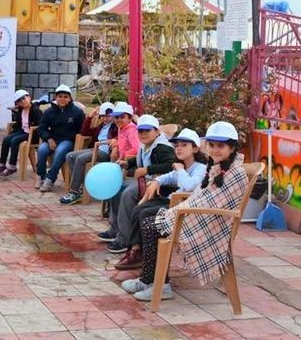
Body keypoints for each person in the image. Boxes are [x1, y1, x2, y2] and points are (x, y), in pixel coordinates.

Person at [122, 121, 248, 301]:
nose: (215, 150)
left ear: (233, 147)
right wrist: (175, 208)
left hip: (211, 226)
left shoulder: (234, 173)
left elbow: (211, 203)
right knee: (148, 219)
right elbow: (200, 197)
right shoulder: (217, 168)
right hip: (199, 216)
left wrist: (178, 212)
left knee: (151, 225)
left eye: (221, 146)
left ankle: (160, 285)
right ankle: (148, 280)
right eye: (211, 145)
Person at [115, 128, 207, 271]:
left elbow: (189, 186)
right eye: (177, 146)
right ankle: (135, 249)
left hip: (184, 209)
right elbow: (169, 176)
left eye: (184, 145)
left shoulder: (199, 168)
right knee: (139, 209)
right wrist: (157, 181)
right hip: (174, 202)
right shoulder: (183, 165)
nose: (179, 149)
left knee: (145, 213)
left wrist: (180, 169)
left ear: (195, 148)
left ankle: (140, 253)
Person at [103, 114, 176, 255]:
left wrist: (148, 170)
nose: (143, 134)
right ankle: (115, 229)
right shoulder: (145, 146)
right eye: (140, 131)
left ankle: (124, 239)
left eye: (147, 131)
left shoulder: (162, 147)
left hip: (159, 184)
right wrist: (127, 163)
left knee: (127, 193)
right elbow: (140, 160)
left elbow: (170, 165)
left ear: (157, 131)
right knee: (117, 189)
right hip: (146, 181)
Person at [59, 102, 117, 205]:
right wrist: (89, 117)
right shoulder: (101, 126)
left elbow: (118, 138)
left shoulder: (115, 126)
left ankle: (74, 192)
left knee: (80, 159)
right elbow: (84, 132)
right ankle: (80, 187)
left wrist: (113, 142)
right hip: (95, 149)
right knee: (70, 156)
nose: (105, 119)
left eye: (108, 116)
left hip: (105, 152)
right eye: (103, 116)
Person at [35, 85, 85, 192]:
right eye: (60, 96)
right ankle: (41, 176)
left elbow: (82, 130)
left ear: (70, 98)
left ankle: (50, 179)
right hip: (52, 139)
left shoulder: (77, 112)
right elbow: (41, 129)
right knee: (41, 150)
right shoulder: (49, 111)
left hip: (68, 140)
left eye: (65, 97)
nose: (62, 99)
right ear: (56, 98)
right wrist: (48, 138)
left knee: (60, 151)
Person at [0, 90, 42, 177]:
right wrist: (13, 131)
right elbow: (18, 124)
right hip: (23, 132)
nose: (22, 102)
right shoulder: (20, 111)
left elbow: (40, 125)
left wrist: (31, 130)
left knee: (15, 140)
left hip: (33, 134)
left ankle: (12, 166)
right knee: (6, 139)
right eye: (19, 101)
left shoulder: (36, 110)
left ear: (29, 97)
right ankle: (2, 163)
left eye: (24, 98)